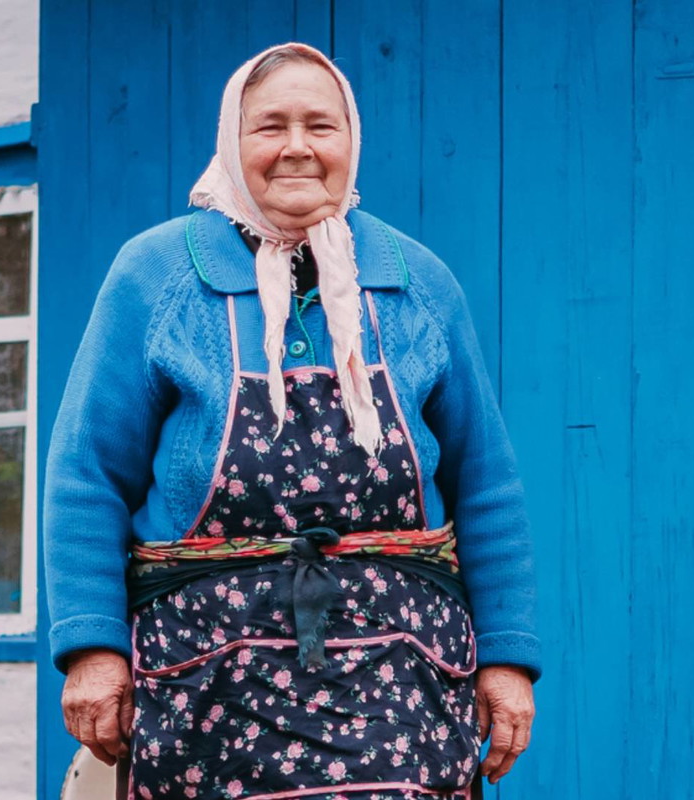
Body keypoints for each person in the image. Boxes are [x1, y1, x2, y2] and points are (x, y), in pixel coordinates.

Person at [44, 42, 539, 800]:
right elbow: (87, 475)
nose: (297, 147)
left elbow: (487, 486)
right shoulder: (157, 276)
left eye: (321, 125)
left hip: (399, 680)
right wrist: (92, 648)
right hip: (205, 682)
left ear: (352, 142)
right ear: (232, 143)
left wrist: (505, 660)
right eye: (270, 126)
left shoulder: (418, 282)